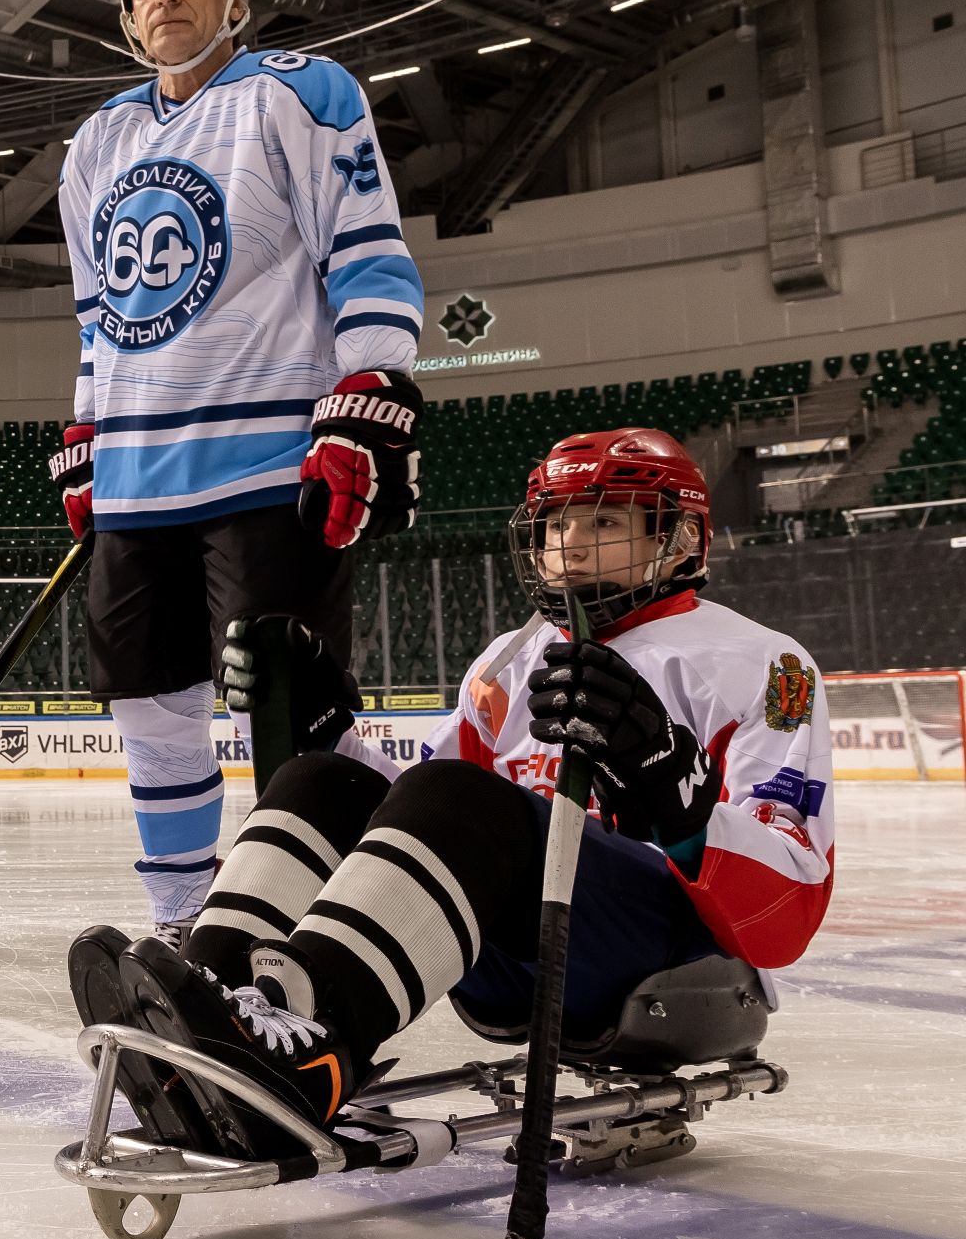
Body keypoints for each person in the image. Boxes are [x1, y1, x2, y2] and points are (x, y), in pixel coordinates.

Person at [68, 429, 834, 1155]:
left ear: (681, 540)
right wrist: (325, 735)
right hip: (526, 946)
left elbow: (787, 907)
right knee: (322, 782)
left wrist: (672, 783)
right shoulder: (509, 660)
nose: (570, 542)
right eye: (557, 522)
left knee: (467, 797)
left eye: (605, 520)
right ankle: (210, 1011)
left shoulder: (760, 663)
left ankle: (314, 1046)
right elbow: (423, 812)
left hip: (672, 958)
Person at [53, 0, 426, 948]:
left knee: (287, 718)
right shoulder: (97, 141)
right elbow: (96, 314)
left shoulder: (298, 92)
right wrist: (86, 429)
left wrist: (372, 389)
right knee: (150, 712)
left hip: (267, 462)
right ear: (127, 15)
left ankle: (304, 930)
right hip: (136, 477)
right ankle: (181, 923)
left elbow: (365, 248)